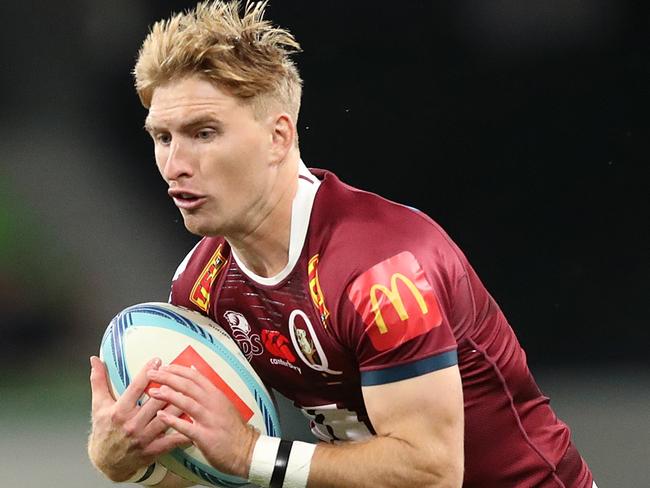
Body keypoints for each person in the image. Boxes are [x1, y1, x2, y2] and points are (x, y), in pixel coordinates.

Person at [88, 1, 597, 487]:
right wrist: (123, 458)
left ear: (278, 138)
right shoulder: (202, 288)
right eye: (163, 137)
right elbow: (199, 462)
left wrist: (250, 454)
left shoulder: (381, 270)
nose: (175, 164)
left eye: (203, 133)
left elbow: (432, 472)